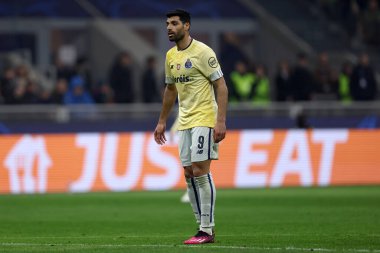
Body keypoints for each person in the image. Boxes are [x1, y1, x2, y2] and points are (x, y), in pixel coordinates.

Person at [154, 9, 228, 245]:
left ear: (186, 26)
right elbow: (170, 89)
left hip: (204, 117)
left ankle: (207, 228)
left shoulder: (203, 52)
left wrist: (221, 121)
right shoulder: (170, 56)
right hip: (184, 120)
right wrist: (162, 120)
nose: (169, 27)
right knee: (188, 173)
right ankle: (200, 226)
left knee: (200, 170)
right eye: (167, 23)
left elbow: (222, 86)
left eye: (174, 23)